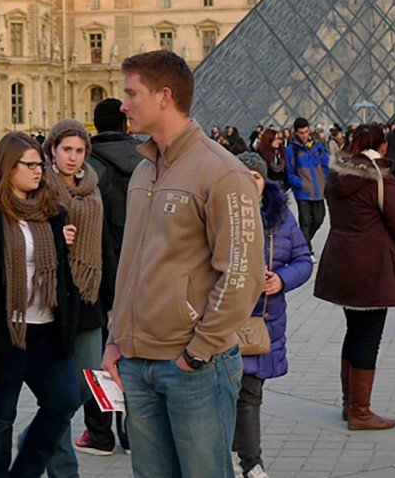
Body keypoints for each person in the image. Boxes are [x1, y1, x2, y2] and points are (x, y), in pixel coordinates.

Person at [100, 50, 264, 478]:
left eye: (131, 93)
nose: (123, 105)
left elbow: (242, 275)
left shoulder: (221, 173)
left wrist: (198, 352)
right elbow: (131, 264)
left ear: (163, 97)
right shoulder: (142, 171)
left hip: (193, 367)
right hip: (138, 362)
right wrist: (117, 338)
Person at [0, 132, 81, 477]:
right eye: (30, 165)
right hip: (0, 333)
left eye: (40, 165)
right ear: (9, 167)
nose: (39, 171)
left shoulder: (51, 211)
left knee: (65, 400)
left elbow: (60, 273)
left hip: (46, 329)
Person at [314, 123, 395, 430]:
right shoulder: (381, 180)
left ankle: (349, 404)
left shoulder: (337, 177)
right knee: (369, 336)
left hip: (341, 263)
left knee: (353, 331)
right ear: (382, 148)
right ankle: (360, 411)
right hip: (372, 266)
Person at [232, 152, 313, 476]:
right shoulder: (218, 213)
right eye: (244, 176)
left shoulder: (282, 218)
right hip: (224, 321)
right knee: (222, 394)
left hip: (262, 323)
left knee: (250, 393)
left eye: (255, 176)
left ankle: (251, 462)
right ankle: (228, 455)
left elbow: (303, 260)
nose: (250, 182)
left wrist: (281, 279)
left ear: (264, 181)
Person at [40, 119, 106, 472]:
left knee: (85, 382)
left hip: (88, 296)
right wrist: (51, 235)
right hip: (52, 299)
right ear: (52, 149)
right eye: (67, 149)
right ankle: (63, 467)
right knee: (58, 391)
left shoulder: (94, 189)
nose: (73, 158)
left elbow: (106, 247)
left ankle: (44, 431)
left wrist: (112, 302)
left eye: (80, 151)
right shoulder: (39, 190)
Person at [80, 98, 141, 455]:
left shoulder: (88, 167)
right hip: (138, 272)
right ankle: (134, 432)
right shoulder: (149, 161)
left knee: (97, 351)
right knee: (133, 350)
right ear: (125, 124)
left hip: (98, 273)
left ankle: (99, 433)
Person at [285, 117, 330, 251]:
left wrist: (324, 180)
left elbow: (326, 165)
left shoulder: (318, 147)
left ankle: (302, 243)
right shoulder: (291, 150)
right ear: (296, 133)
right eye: (301, 133)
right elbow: (290, 172)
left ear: (309, 131)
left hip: (318, 190)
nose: (304, 135)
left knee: (319, 218)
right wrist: (300, 184)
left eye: (306, 132)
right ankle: (305, 249)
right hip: (303, 192)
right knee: (305, 222)